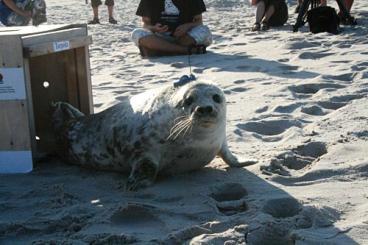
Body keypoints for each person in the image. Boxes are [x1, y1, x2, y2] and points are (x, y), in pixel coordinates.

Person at [131, 0, 212, 57]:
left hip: (185, 37)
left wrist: (186, 26)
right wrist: (154, 28)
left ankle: (161, 51)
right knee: (137, 33)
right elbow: (145, 24)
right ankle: (185, 50)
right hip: (160, 38)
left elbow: (199, 22)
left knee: (204, 31)